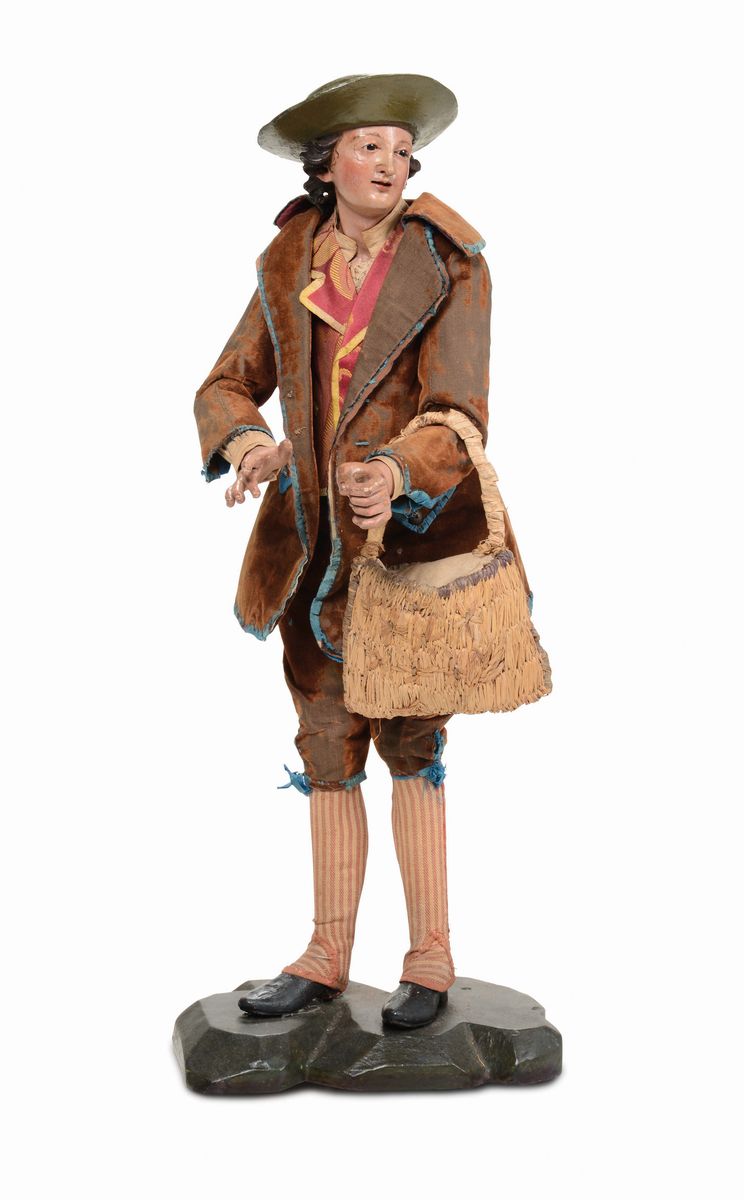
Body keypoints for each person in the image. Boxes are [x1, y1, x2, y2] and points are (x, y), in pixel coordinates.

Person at [193, 74, 528, 1029]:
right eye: (369, 146)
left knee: (413, 744)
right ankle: (325, 954)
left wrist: (397, 469)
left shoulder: (451, 261)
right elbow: (226, 383)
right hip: (310, 551)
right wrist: (249, 444)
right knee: (326, 741)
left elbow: (460, 411)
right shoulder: (290, 257)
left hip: (410, 550)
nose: (390, 164)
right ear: (326, 162)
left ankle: (430, 958)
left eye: (401, 149)